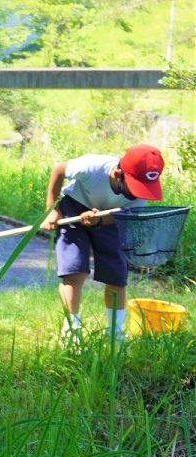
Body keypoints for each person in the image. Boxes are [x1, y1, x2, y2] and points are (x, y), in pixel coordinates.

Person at [40, 144, 163, 342]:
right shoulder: (92, 167)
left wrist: (98, 220)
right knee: (74, 270)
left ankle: (115, 334)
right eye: (135, 187)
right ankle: (71, 329)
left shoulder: (142, 193)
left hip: (111, 217)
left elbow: (123, 216)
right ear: (118, 174)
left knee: (116, 273)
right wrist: (52, 209)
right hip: (73, 207)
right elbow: (59, 170)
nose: (139, 194)